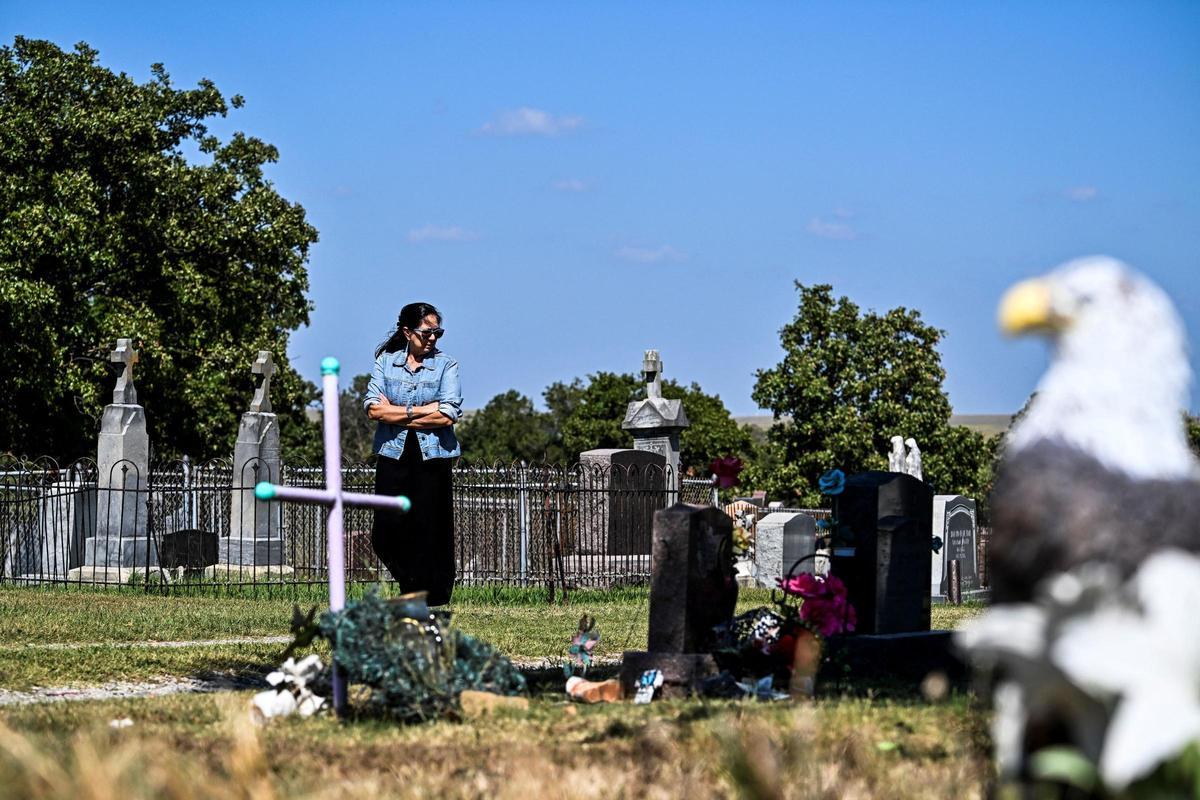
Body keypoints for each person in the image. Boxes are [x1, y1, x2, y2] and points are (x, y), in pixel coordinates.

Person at [364, 302, 462, 605]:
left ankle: (429, 595)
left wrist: (395, 411)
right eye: (426, 332)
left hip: (432, 458)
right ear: (407, 332)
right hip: (393, 456)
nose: (433, 338)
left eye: (438, 332)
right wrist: (421, 410)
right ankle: (411, 584)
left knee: (430, 529)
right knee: (385, 531)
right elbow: (372, 408)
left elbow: (447, 414)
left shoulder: (447, 366)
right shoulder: (385, 363)